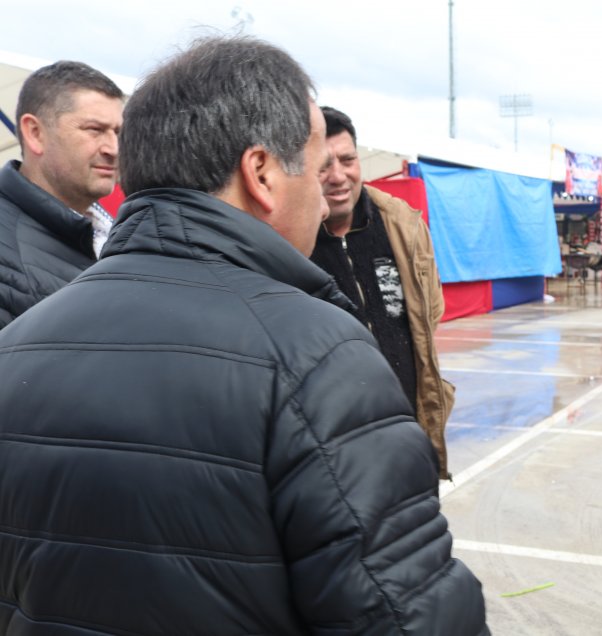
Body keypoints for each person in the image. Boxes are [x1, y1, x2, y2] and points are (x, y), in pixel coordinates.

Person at [0, 36, 488, 635]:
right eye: (312, 167)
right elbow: (404, 616)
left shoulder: (18, 343)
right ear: (260, 173)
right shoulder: (317, 355)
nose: (324, 189)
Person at [311, 106, 455, 479]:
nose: (338, 176)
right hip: (335, 446)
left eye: (347, 159)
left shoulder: (402, 222)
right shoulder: (293, 238)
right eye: (324, 165)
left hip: (411, 430)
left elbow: (429, 311)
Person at [0, 60, 123, 328]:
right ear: (35, 133)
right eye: (95, 130)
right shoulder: (7, 248)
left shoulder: (116, 230)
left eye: (117, 132)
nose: (113, 148)